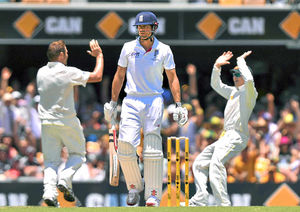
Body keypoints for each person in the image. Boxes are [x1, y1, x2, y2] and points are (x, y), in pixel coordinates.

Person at [104, 11, 188, 207]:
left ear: (154, 27)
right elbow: (119, 75)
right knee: (124, 145)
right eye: (139, 27)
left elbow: (172, 78)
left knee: (151, 147)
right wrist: (113, 102)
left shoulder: (164, 50)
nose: (141, 29)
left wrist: (178, 105)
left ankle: (153, 194)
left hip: (153, 99)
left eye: (145, 26)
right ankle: (134, 186)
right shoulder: (128, 48)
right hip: (131, 99)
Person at [36, 39, 103, 207]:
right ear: (60, 55)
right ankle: (65, 180)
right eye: (66, 52)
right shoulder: (67, 72)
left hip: (46, 123)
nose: (68, 54)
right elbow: (98, 76)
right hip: (66, 121)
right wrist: (99, 56)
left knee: (51, 162)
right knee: (78, 155)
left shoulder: (41, 72)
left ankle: (49, 192)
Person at [187, 51, 258, 206]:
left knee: (216, 163)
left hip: (238, 135)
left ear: (245, 75)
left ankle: (223, 205)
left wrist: (241, 62)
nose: (235, 75)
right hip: (225, 137)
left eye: (238, 73)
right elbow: (216, 85)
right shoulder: (233, 92)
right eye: (233, 73)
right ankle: (201, 198)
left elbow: (250, 80)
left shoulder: (250, 93)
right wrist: (216, 67)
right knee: (198, 163)